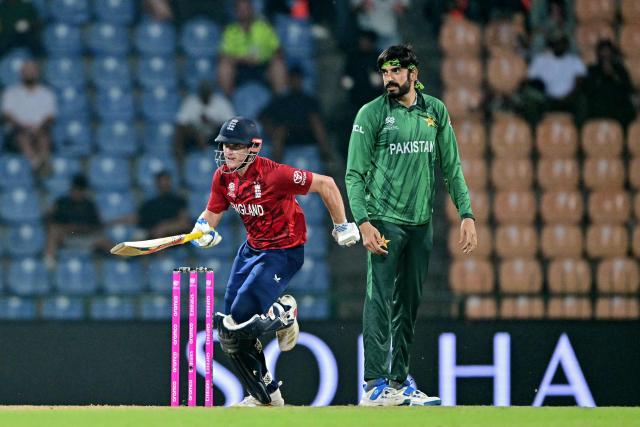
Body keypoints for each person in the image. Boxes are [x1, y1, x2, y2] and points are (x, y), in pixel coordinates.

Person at [190, 116, 360, 406]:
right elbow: (212, 212)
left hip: (284, 252)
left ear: (253, 148)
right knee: (230, 329)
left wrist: (342, 225)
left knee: (241, 315)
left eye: (235, 146)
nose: (228, 152)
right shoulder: (223, 177)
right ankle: (265, 395)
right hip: (252, 250)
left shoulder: (275, 175)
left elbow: (327, 184)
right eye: (224, 145)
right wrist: (202, 229)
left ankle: (284, 311)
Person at [345, 45, 477, 406]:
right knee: (379, 301)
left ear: (413, 74)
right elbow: (354, 175)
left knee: (409, 305)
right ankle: (374, 383)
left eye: (395, 72)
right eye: (385, 73)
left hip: (421, 225)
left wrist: (466, 214)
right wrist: (363, 223)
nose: (388, 79)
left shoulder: (435, 111)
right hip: (385, 221)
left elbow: (451, 167)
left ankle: (399, 382)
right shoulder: (371, 114)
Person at [259, 65, 333, 164]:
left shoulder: (309, 100)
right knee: (280, 133)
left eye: (298, 79)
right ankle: (275, 168)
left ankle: (327, 159)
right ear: (288, 80)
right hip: (286, 139)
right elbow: (263, 117)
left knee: (316, 123)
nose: (295, 81)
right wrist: (272, 131)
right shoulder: (281, 101)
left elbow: (318, 122)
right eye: (293, 79)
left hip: (307, 136)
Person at [217, 0, 287, 96]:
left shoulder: (264, 27)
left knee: (278, 64)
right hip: (240, 68)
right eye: (240, 9)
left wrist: (265, 58)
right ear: (236, 12)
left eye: (246, 9)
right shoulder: (230, 30)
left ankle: (279, 100)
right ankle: (227, 100)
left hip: (262, 66)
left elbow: (277, 49)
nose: (243, 12)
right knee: (224, 66)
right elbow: (224, 55)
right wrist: (243, 59)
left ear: (252, 10)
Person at [1, 60, 56, 171]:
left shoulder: (47, 93)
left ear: (37, 73)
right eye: (26, 71)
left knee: (44, 137)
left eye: (32, 71)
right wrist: (23, 126)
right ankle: (36, 164)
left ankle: (43, 161)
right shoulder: (11, 93)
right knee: (23, 137)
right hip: (18, 131)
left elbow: (51, 116)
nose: (29, 74)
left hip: (40, 129)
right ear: (21, 73)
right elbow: (7, 115)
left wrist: (38, 127)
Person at [45, 174, 105, 265]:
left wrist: (79, 228)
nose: (77, 193)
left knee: (103, 240)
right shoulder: (62, 202)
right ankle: (49, 262)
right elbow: (52, 222)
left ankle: (124, 256)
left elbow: (97, 226)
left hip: (85, 238)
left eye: (80, 190)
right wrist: (66, 229)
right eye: (75, 189)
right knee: (54, 231)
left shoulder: (89, 205)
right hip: (66, 238)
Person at [174, 81, 236, 162]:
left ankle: (228, 165)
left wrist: (215, 129)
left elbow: (232, 124)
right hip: (194, 137)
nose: (205, 94)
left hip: (215, 136)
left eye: (207, 92)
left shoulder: (221, 102)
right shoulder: (190, 102)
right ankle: (181, 165)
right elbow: (180, 124)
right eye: (203, 92)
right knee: (180, 133)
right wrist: (196, 134)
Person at [583, 39, 636, 128]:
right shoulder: (592, 69)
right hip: (598, 105)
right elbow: (588, 89)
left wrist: (614, 75)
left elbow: (628, 88)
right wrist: (601, 76)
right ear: (598, 53)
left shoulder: (619, 69)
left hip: (617, 105)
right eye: (603, 51)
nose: (605, 54)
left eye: (607, 51)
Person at [137, 171, 191, 239]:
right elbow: (138, 219)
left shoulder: (178, 201)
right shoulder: (150, 204)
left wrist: (165, 227)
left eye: (166, 181)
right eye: (161, 181)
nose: (164, 184)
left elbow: (185, 224)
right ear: (157, 183)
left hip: (176, 242)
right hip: (153, 242)